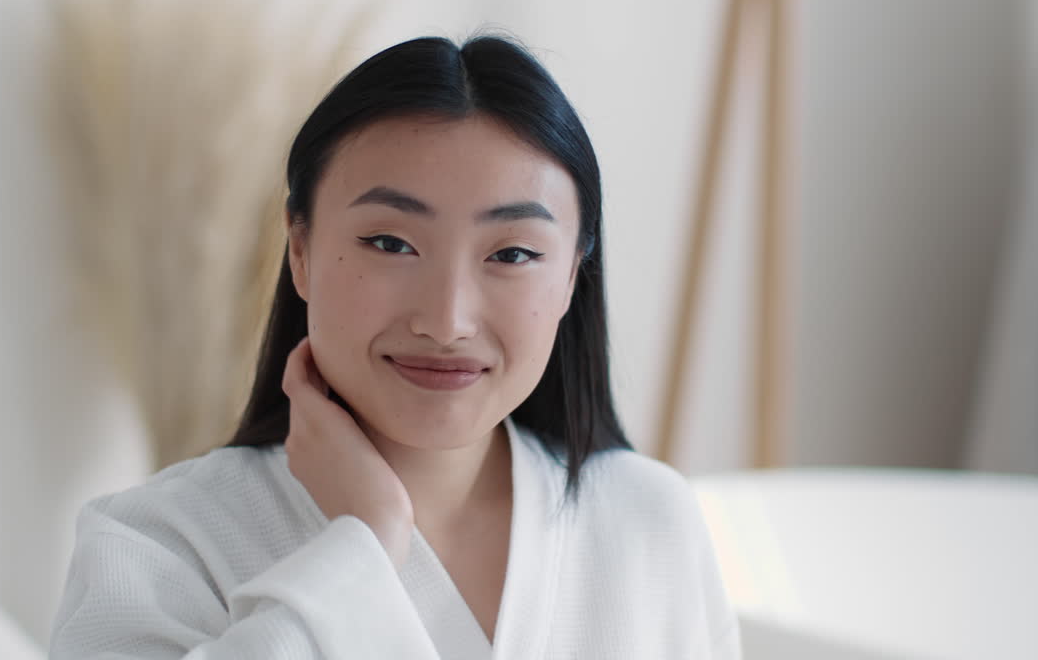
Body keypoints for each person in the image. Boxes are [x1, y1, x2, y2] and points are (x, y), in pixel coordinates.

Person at [50, 34, 741, 659]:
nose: (446, 321)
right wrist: (362, 547)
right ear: (301, 251)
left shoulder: (651, 526)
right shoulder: (154, 544)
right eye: (391, 243)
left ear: (570, 277)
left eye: (512, 253)